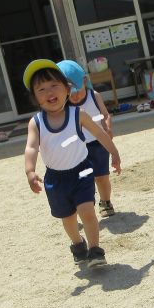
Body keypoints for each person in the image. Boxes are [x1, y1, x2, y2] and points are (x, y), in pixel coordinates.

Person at [23, 59, 122, 268]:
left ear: (67, 89)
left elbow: (99, 134)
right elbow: (31, 148)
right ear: (35, 97)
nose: (49, 92)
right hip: (55, 179)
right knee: (67, 218)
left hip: (82, 172)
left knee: (87, 211)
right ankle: (78, 244)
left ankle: (95, 250)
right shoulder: (36, 123)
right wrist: (30, 171)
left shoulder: (78, 115)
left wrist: (114, 152)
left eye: (54, 85)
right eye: (41, 89)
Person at [63, 59, 117, 218]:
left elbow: (106, 115)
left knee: (102, 177)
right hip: (78, 148)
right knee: (82, 180)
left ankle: (106, 201)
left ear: (85, 82)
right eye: (69, 94)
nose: (74, 96)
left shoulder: (94, 96)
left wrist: (108, 127)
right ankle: (82, 206)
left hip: (98, 144)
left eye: (77, 91)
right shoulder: (64, 105)